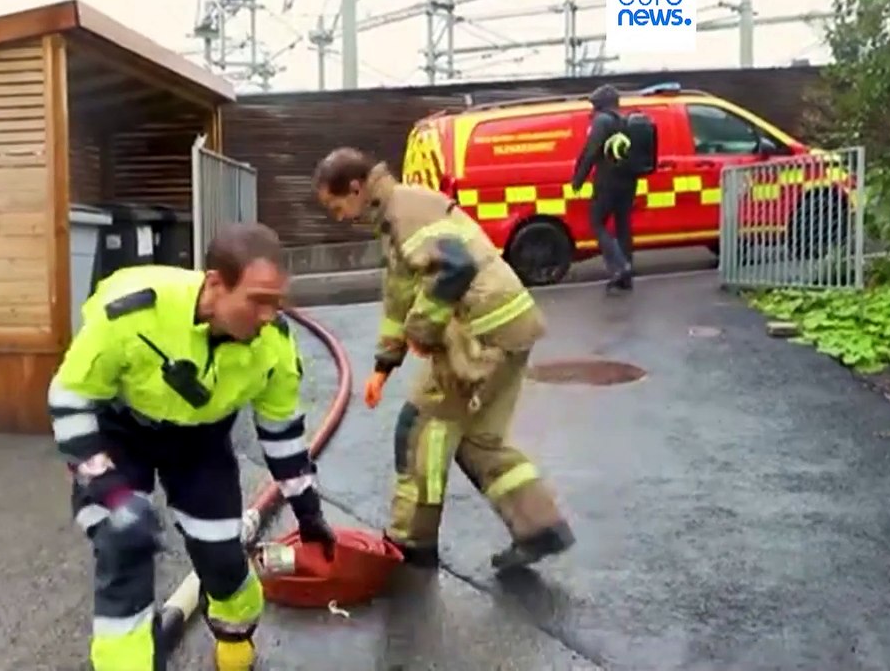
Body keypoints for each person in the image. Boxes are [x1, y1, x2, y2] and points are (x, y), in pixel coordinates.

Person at [48, 222, 336, 671]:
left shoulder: (273, 346)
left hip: (201, 443)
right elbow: (69, 399)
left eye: (277, 302)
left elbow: (282, 435)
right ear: (216, 284)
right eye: (257, 300)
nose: (268, 316)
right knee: (125, 548)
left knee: (221, 559)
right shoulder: (134, 312)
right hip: (121, 435)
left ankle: (236, 644)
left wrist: (309, 513)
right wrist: (113, 493)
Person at [312, 147, 576, 572]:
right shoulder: (398, 215)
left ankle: (411, 543)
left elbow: (454, 268)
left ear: (356, 188)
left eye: (336, 205)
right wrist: (384, 364)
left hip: (480, 337)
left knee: (420, 430)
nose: (338, 215)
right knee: (479, 442)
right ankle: (539, 527)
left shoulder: (405, 212)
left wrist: (422, 331)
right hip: (510, 330)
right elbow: (400, 296)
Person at [571, 84, 637, 292]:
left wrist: (578, 179)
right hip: (628, 181)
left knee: (597, 223)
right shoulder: (628, 121)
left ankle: (620, 266)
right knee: (623, 225)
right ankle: (626, 273)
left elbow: (591, 152)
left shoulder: (602, 121)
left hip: (607, 182)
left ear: (601, 104)